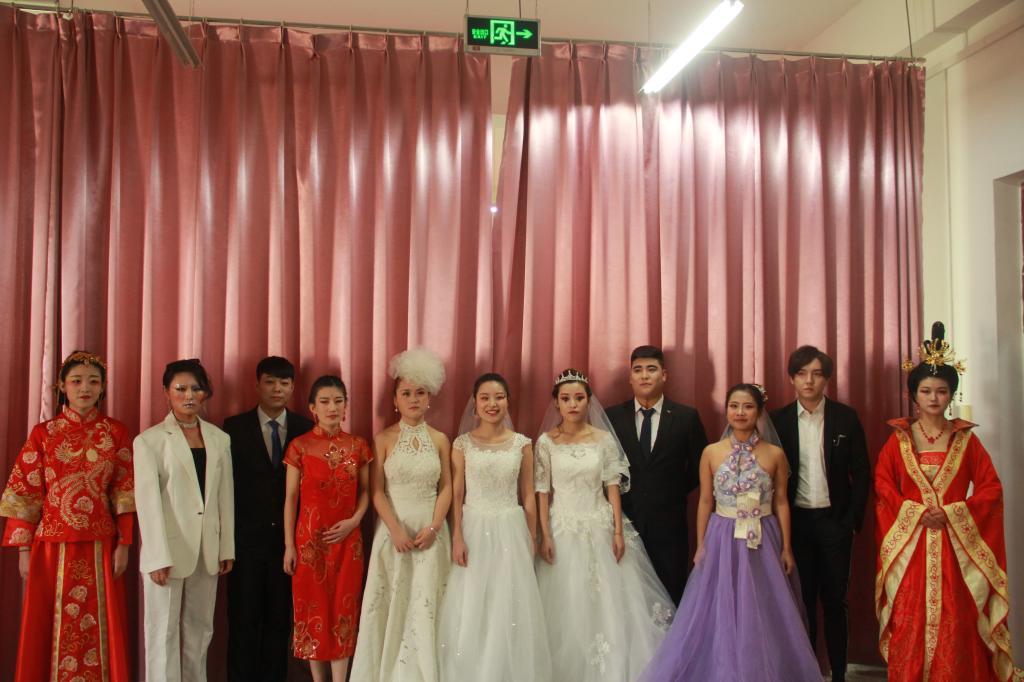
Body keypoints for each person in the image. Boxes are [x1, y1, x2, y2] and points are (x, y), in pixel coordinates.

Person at [638, 383, 822, 682]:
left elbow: (781, 502)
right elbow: (705, 501)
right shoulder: (711, 452)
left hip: (763, 536)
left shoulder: (774, 454)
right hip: (722, 534)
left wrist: (786, 547)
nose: (740, 412)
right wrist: (701, 545)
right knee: (719, 602)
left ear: (759, 412)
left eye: (748, 406)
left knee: (761, 604)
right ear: (726, 410)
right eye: (734, 406)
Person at [875, 322, 1023, 681]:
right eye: (926, 391)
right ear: (914, 395)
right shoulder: (899, 441)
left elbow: (991, 489)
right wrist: (916, 513)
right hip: (911, 548)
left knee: (959, 619)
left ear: (951, 395)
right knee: (909, 617)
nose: (933, 398)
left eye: (941, 391)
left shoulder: (966, 441)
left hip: (957, 549)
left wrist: (955, 512)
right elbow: (883, 486)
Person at [0, 351, 135, 682]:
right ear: (62, 386)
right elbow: (26, 492)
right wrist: (24, 549)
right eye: (76, 381)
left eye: (93, 382)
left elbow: (125, 491)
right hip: (50, 547)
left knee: (101, 623)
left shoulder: (116, 432)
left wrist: (125, 544)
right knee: (46, 624)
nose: (85, 388)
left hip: (101, 545)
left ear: (102, 387)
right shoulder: (43, 434)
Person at [535, 368, 673, 682]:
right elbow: (542, 490)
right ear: (556, 403)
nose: (573, 404)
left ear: (589, 401)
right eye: (566, 398)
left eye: (579, 398)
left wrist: (618, 531)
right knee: (566, 603)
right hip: (562, 527)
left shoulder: (603, 439)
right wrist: (545, 533)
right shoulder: (546, 442)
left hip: (600, 524)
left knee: (609, 604)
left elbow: (612, 486)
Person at [438, 373, 552, 681]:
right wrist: (457, 536)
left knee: (509, 603)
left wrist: (531, 536)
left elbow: (528, 495)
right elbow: (457, 495)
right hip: (473, 526)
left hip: (510, 528)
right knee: (474, 601)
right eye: (485, 397)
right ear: (475, 404)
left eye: (499, 397)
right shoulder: (462, 444)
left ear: (508, 401)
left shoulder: (522, 444)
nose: (492, 403)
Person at [350, 348, 453, 682]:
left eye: (419, 393)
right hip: (394, 530)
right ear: (395, 400)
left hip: (430, 531)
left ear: (429, 398)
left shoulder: (440, 439)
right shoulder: (382, 438)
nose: (413, 399)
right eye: (406, 393)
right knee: (392, 602)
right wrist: (394, 529)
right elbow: (376, 490)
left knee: (428, 602)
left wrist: (434, 527)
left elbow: (447, 488)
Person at [771, 345, 870, 682]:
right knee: (803, 601)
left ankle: (839, 673)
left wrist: (852, 521)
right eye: (801, 374)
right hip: (796, 524)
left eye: (816, 374)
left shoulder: (845, 417)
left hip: (834, 522)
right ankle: (808, 671)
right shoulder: (778, 420)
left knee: (835, 602)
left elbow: (862, 472)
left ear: (827, 378)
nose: (809, 381)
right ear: (792, 379)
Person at [134, 358, 235, 682]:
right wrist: (156, 557)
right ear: (167, 392)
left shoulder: (219, 439)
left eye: (196, 388)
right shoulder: (149, 441)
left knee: (201, 630)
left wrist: (226, 547)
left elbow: (224, 497)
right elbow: (147, 504)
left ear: (205, 393)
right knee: (162, 632)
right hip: (167, 551)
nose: (189, 395)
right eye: (181, 389)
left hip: (207, 549)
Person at [223, 356, 314, 682]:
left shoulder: (305, 428)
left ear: (293, 387)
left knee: (279, 623)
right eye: (270, 382)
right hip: (244, 544)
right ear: (257, 385)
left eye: (284, 383)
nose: (277, 389)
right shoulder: (233, 428)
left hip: (288, 546)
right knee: (242, 622)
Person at [283, 375, 372, 682]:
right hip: (309, 542)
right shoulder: (299, 447)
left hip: (348, 539)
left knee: (344, 610)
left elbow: (366, 491)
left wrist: (355, 520)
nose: (332, 407)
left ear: (346, 406)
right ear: (312, 407)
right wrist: (289, 546)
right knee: (313, 609)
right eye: (325, 401)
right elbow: (290, 498)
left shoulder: (358, 445)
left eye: (338, 401)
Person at [606, 345, 708, 603]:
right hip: (625, 522)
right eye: (638, 370)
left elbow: (701, 469)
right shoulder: (612, 417)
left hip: (670, 524)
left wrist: (670, 491)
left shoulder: (686, 417)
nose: (644, 376)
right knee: (628, 597)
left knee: (671, 592)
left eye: (651, 369)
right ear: (630, 377)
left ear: (664, 375)